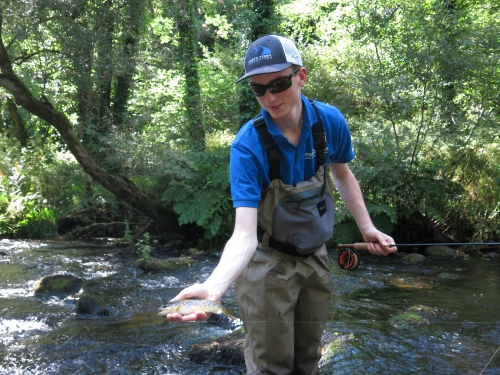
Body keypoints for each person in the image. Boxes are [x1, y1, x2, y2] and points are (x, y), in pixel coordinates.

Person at [166, 34, 397, 375]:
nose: (270, 97)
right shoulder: (247, 146)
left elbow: (343, 175)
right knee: (271, 366)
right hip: (266, 264)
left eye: (278, 83)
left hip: (315, 257)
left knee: (308, 359)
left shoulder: (330, 122)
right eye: (259, 89)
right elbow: (244, 233)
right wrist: (214, 287)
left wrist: (368, 228)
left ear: (301, 76)